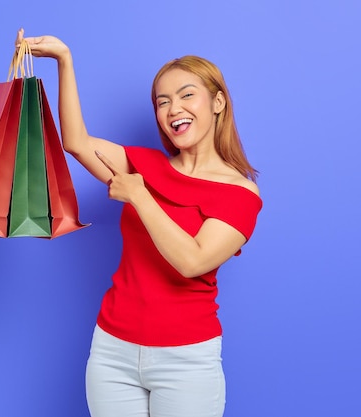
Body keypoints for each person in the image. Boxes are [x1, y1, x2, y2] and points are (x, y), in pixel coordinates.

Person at [17, 28, 262, 417]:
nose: (173, 109)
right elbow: (77, 142)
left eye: (186, 95)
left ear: (217, 102)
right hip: (113, 349)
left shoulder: (241, 193)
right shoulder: (143, 165)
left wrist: (140, 195)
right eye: (162, 101)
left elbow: (193, 261)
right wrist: (65, 59)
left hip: (186, 359)